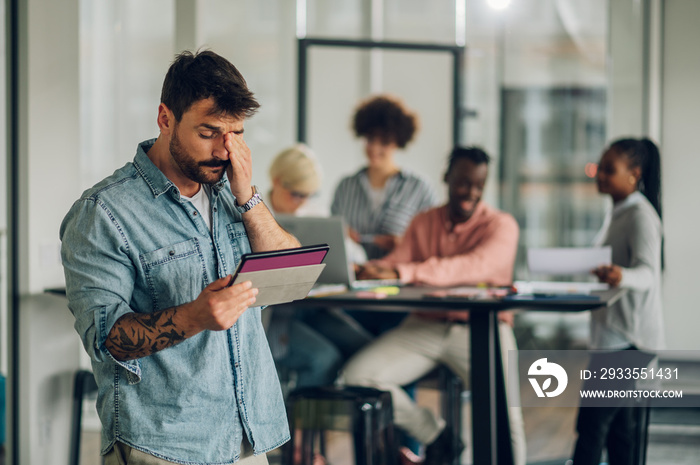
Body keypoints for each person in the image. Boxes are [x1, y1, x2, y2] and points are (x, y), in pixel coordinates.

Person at [60, 50, 300, 465]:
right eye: (208, 133)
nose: (225, 151)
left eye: (236, 134)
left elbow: (293, 272)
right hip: (164, 443)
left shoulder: (231, 192)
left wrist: (248, 195)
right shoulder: (103, 213)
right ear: (165, 118)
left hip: (247, 435)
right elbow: (106, 340)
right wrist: (194, 317)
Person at [341, 147, 527, 465]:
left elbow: (468, 268)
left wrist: (405, 271)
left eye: (479, 185)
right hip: (424, 326)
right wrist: (368, 269)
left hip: (481, 329)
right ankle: (437, 437)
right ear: (447, 179)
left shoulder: (502, 226)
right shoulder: (424, 222)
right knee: (358, 377)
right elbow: (395, 264)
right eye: (463, 183)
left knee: (505, 417)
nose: (471, 192)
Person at [571, 138, 664, 465]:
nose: (600, 176)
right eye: (600, 168)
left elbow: (648, 274)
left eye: (610, 170)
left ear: (634, 174)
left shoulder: (640, 216)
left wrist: (620, 276)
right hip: (613, 338)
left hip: (629, 341)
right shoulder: (618, 212)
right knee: (619, 434)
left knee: (592, 426)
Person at [331, 94, 439, 336]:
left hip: (401, 299)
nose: (374, 148)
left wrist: (403, 246)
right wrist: (343, 238)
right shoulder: (346, 187)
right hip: (354, 297)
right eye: (370, 139)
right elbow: (332, 244)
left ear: (398, 142)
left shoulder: (419, 188)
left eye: (384, 141)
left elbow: (435, 250)